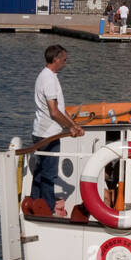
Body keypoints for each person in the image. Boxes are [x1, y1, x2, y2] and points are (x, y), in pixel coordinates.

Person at [31, 45, 84, 209]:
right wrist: (71, 128)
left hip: (42, 131)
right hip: (48, 133)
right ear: (56, 59)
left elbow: (60, 109)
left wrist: (74, 125)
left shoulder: (48, 76)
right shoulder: (48, 79)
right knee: (49, 173)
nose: (65, 63)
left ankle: (35, 202)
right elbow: (54, 112)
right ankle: (47, 206)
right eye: (64, 60)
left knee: (41, 170)